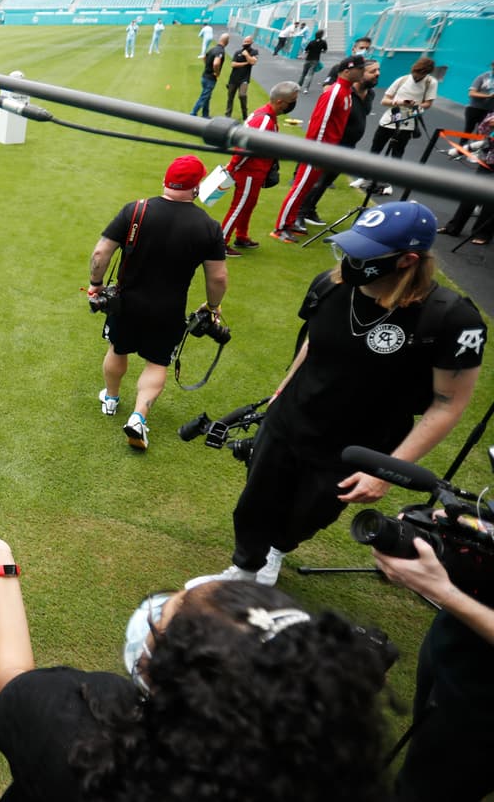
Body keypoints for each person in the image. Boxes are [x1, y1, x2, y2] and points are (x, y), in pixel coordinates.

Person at [0, 514, 394, 802]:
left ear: (166, 673)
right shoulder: (321, 773)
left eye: (163, 618)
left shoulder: (78, 730)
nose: (154, 611)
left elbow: (12, 677)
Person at [189, 202, 485, 589]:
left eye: (362, 254)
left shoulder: (450, 319)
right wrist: (281, 392)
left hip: (358, 445)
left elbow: (448, 404)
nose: (348, 260)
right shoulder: (329, 285)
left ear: (406, 260)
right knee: (255, 502)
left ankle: (277, 550)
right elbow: (315, 342)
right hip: (290, 420)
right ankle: (245, 568)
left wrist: (388, 471)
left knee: (309, 513)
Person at [87, 155, 228, 450]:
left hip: (126, 303)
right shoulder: (209, 226)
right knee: (157, 362)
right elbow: (218, 278)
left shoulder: (135, 210)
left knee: (117, 348)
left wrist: (96, 285)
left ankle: (111, 399)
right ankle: (138, 417)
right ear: (198, 187)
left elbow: (101, 253)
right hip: (169, 310)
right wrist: (213, 307)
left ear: (166, 181)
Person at [374, 524, 494, 801]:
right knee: (427, 743)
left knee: (431, 787)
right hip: (453, 641)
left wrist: (443, 592)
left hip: (484, 705)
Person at [272, 54, 366, 243]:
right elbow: (320, 121)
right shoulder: (335, 92)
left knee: (305, 188)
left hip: (324, 151)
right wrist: (316, 151)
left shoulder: (346, 92)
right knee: (299, 189)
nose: (363, 72)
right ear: (347, 71)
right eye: (360, 69)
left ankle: (290, 223)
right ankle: (280, 228)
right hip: (317, 151)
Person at [220, 82, 300, 255]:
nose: (293, 104)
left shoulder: (265, 116)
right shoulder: (264, 120)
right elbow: (246, 148)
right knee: (239, 206)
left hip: (253, 171)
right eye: (292, 101)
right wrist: (233, 168)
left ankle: (241, 236)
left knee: (247, 205)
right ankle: (220, 243)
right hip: (249, 172)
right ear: (280, 102)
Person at [299, 60, 380, 227]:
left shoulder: (370, 94)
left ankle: (309, 209)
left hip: (348, 146)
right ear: (359, 73)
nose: (377, 74)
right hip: (332, 145)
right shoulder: (343, 93)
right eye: (372, 71)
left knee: (326, 181)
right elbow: (322, 119)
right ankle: (299, 213)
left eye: (378, 70)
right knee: (316, 180)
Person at [348, 57, 438, 193]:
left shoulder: (431, 82)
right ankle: (363, 178)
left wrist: (415, 105)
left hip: (408, 123)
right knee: (375, 150)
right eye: (416, 73)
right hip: (389, 120)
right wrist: (400, 102)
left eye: (421, 74)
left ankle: (387, 184)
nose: (417, 76)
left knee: (397, 154)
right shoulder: (402, 80)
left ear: (427, 73)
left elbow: (428, 104)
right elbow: (385, 100)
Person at [437, 111, 494, 244]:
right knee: (470, 195)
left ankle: (483, 234)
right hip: (487, 162)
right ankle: (453, 228)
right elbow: (482, 130)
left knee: (490, 201)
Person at [190, 33, 228, 118]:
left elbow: (204, 58)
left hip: (204, 76)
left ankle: (205, 115)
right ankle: (193, 113)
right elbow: (216, 63)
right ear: (227, 42)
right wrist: (216, 72)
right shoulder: (220, 51)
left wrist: (207, 66)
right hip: (210, 78)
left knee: (207, 96)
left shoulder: (213, 49)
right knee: (204, 97)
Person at [222, 35, 258, 119]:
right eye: (245, 41)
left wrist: (246, 55)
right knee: (230, 97)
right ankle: (227, 115)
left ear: (251, 42)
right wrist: (246, 63)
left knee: (242, 95)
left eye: (247, 42)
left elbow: (253, 62)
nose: (245, 43)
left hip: (244, 79)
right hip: (233, 78)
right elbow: (233, 64)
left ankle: (245, 115)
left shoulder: (254, 52)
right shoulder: (237, 52)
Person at [464, 60, 494, 135]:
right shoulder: (482, 77)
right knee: (468, 131)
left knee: (481, 134)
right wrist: (489, 96)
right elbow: (471, 93)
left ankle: (476, 146)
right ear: (492, 66)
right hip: (474, 108)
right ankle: (462, 145)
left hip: (489, 111)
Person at [298, 28, 328, 93]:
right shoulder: (323, 42)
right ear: (322, 35)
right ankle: (306, 89)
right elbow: (325, 50)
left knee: (303, 74)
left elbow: (306, 50)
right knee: (310, 75)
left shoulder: (311, 42)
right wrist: (320, 51)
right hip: (315, 60)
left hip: (308, 59)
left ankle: (299, 86)